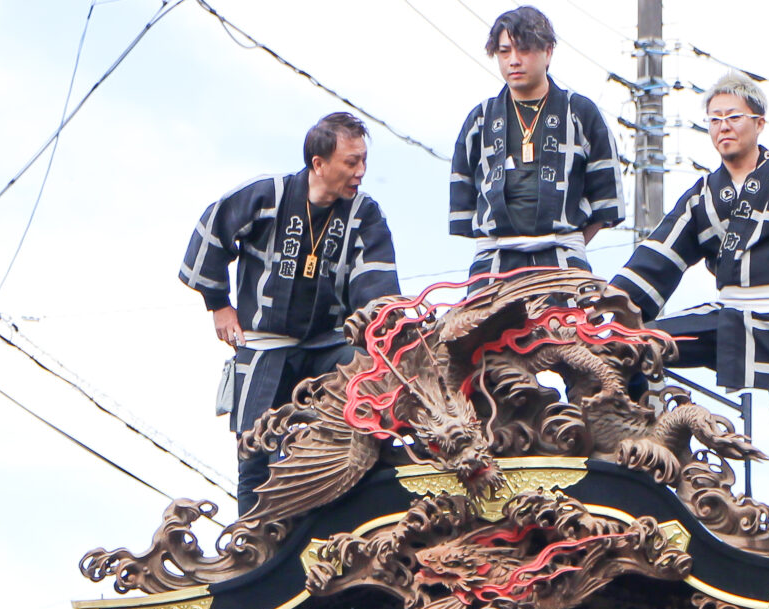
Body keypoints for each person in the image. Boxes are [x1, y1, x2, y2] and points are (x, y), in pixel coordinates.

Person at [611, 72, 769, 487]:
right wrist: (610, 304)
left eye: (732, 116)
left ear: (759, 122)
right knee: (635, 345)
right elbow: (660, 253)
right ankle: (647, 449)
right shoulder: (703, 195)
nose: (723, 127)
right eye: (714, 119)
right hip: (730, 315)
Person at [182, 112, 402, 514]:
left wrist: (383, 330)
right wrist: (218, 305)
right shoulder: (267, 197)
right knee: (254, 449)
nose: (361, 172)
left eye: (364, 161)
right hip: (266, 344)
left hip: (329, 344)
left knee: (371, 381)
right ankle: (252, 540)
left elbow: (376, 286)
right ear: (318, 163)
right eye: (351, 162)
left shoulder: (364, 214)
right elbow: (212, 232)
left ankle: (360, 511)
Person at [448, 7, 621, 278]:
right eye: (505, 52)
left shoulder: (580, 113)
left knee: (574, 320)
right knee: (471, 321)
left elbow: (606, 199)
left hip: (564, 257)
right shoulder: (479, 120)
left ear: (548, 51)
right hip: (493, 261)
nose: (513, 61)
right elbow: (464, 202)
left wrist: (570, 242)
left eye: (524, 50)